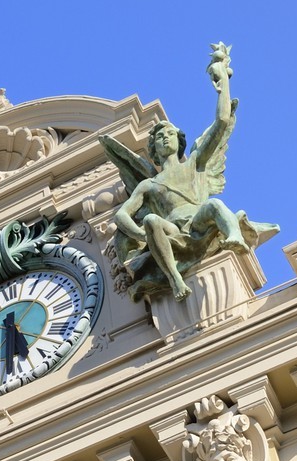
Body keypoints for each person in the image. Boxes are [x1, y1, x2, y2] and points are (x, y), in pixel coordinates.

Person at [102, 43, 278, 303]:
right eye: (159, 137)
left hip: (198, 222)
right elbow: (121, 215)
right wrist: (142, 235)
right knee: (151, 220)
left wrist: (222, 82)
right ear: (153, 149)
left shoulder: (194, 163)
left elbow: (221, 122)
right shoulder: (149, 184)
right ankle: (174, 278)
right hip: (172, 229)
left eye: (169, 134)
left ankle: (233, 236)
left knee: (214, 204)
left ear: (179, 141)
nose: (164, 138)